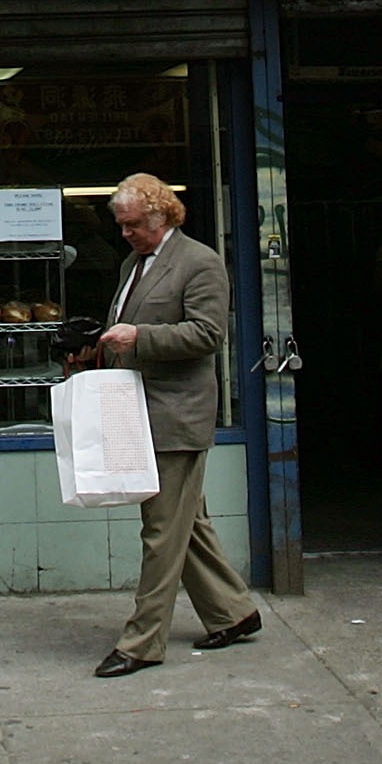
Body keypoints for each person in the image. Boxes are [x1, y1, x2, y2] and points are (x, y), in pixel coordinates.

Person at [90, 173, 260, 678]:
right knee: (187, 523)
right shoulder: (133, 263)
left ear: (162, 215)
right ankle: (233, 612)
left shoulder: (199, 262)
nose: (126, 234)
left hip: (177, 415)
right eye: (121, 226)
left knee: (162, 531)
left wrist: (139, 336)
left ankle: (142, 642)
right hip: (140, 410)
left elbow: (209, 333)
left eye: (134, 225)